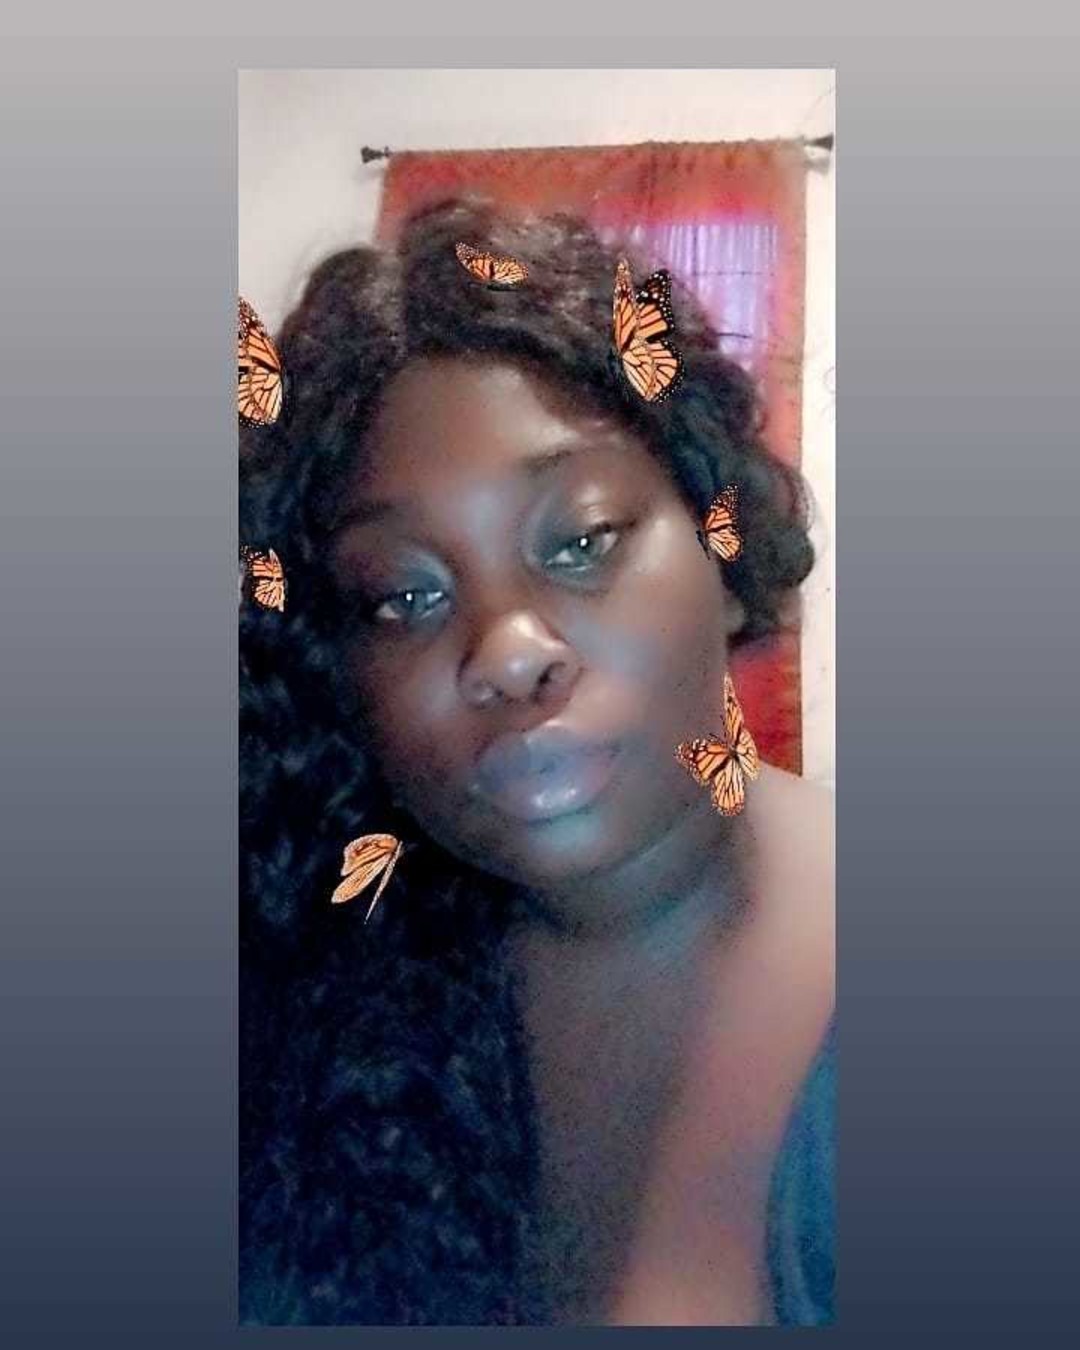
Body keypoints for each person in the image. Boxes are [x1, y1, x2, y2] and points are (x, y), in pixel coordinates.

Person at [239, 197, 834, 1326]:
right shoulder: (327, 972)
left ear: (719, 547)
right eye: (403, 597)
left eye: (582, 541)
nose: (507, 654)